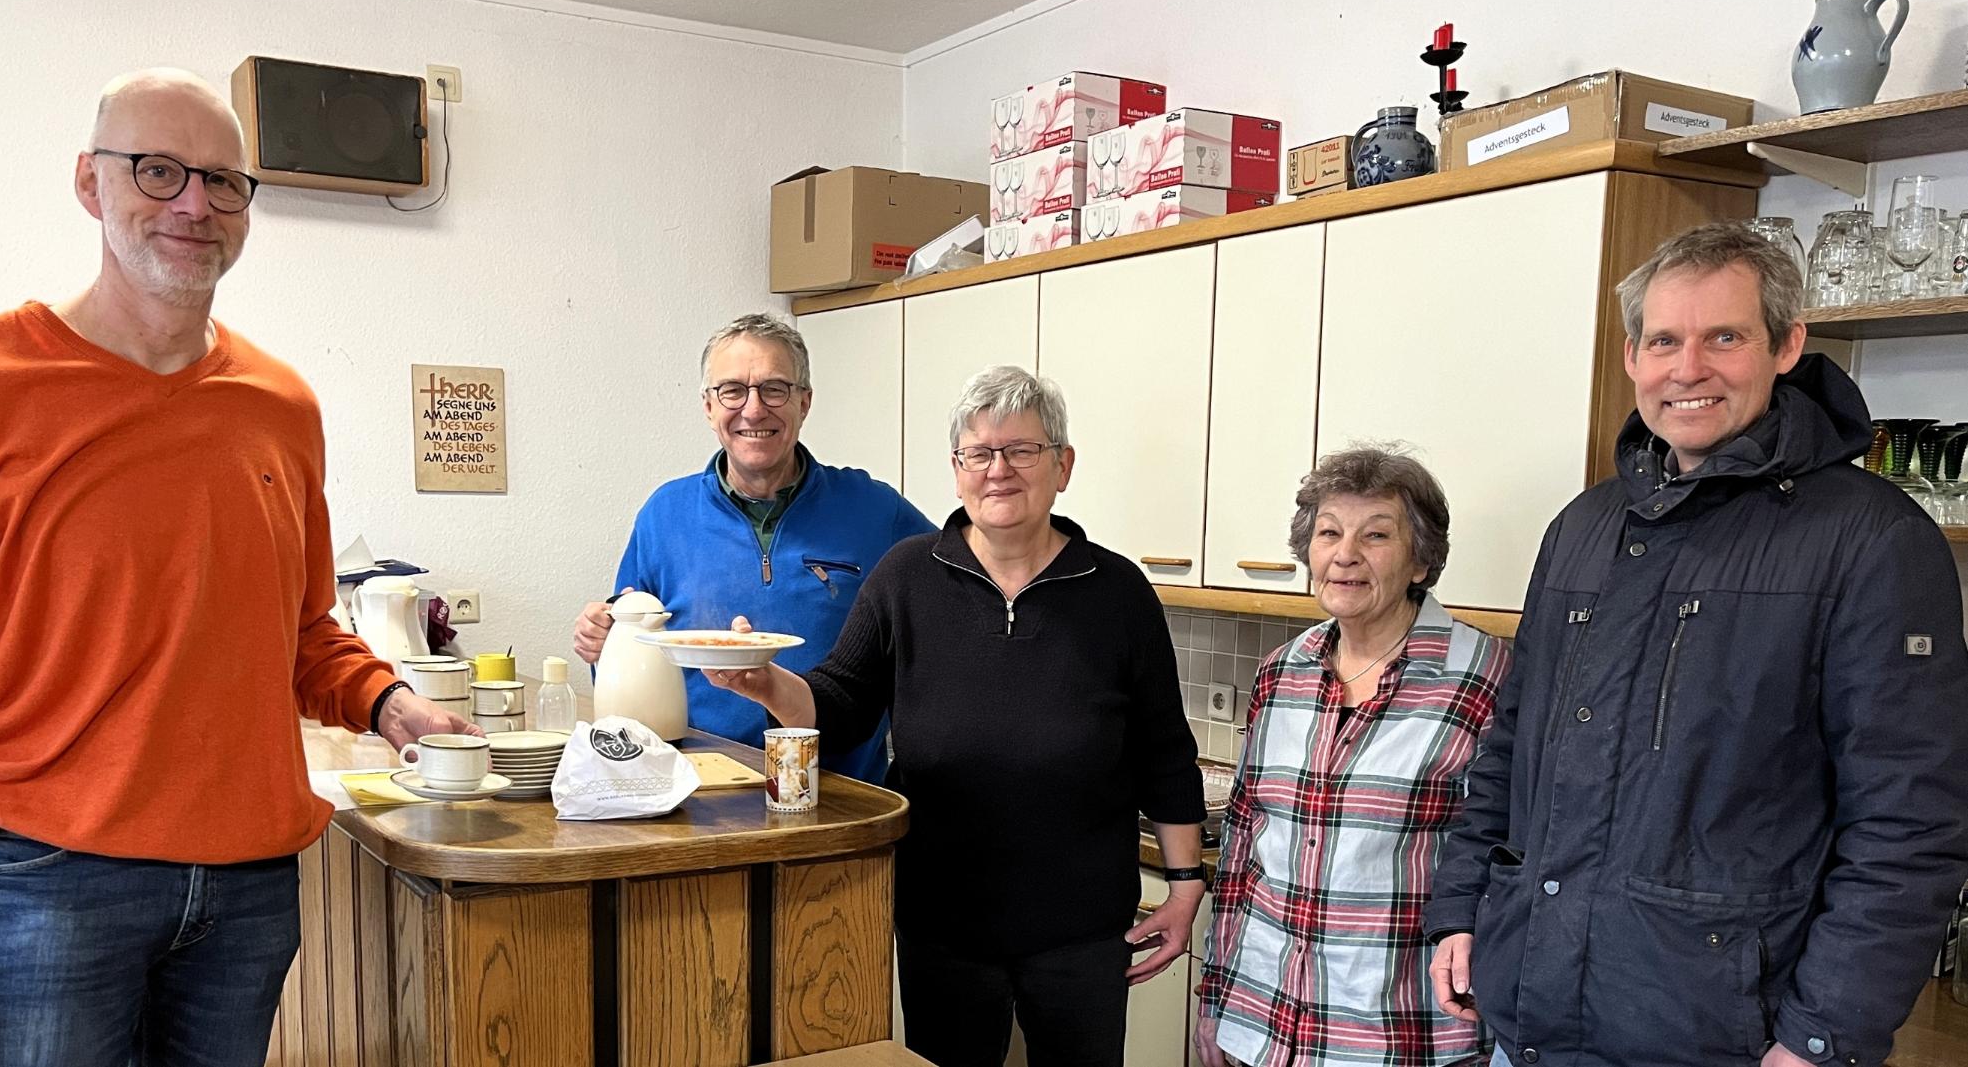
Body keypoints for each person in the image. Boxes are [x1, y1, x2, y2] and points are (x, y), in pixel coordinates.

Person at [0, 68, 475, 1067]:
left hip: (248, 889)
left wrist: (389, 703)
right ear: (91, 183)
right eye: (158, 172)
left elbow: (296, 632)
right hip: (42, 881)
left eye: (222, 182)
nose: (193, 206)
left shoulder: (277, 405)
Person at [1425, 222, 1968, 1067]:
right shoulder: (1584, 528)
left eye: (1724, 337)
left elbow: (1908, 826)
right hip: (1532, 1016)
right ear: (1632, 357)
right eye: (1663, 341)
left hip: (1723, 1037)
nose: (1687, 369)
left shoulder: (1871, 542)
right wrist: (1461, 907)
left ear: (1786, 344)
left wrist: (1822, 1036)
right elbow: (1510, 743)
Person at [706, 365, 1206, 1067]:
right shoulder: (906, 575)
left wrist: (1185, 884)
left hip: (1082, 927)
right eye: (980, 453)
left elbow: (1163, 750)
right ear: (956, 470)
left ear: (1062, 465)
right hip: (943, 919)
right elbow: (840, 705)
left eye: (1021, 450)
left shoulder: (1116, 590)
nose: (998, 470)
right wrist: (765, 683)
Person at [1197, 445, 1508, 1067]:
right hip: (1267, 1019)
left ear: (1420, 560)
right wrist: (1217, 1001)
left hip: (1400, 1030)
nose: (1345, 555)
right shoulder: (1282, 674)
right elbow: (1241, 852)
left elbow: (1505, 860)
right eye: (1329, 533)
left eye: (1376, 535)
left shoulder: (1485, 677)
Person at [572, 313, 931, 783]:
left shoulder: (876, 511)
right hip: (697, 791)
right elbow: (629, 643)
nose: (754, 409)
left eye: (775, 389)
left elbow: (959, 584)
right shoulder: (665, 514)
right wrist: (601, 640)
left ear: (805, 402)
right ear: (707, 406)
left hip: (843, 795)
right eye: (732, 390)